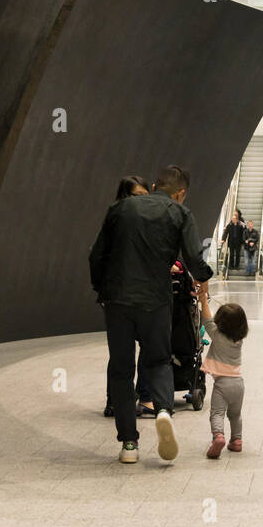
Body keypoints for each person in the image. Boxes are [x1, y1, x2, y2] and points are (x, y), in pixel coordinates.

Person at [90, 164, 214, 463]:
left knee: (121, 370)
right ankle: (161, 410)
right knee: (158, 360)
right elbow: (195, 259)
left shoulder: (120, 209)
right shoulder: (180, 213)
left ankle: (129, 445)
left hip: (118, 301)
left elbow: (96, 255)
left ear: (156, 184)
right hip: (156, 301)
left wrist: (102, 291)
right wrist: (204, 277)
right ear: (180, 192)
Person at [101, 176, 150, 418]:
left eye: (145, 195)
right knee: (121, 355)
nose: (141, 201)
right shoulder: (116, 221)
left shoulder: (148, 222)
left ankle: (135, 397)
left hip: (141, 296)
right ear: (124, 197)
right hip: (119, 295)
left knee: (144, 349)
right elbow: (100, 255)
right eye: (136, 196)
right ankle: (116, 401)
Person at [196, 281, 248, 458]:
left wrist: (203, 300)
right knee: (235, 414)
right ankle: (237, 441)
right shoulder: (239, 340)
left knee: (217, 413)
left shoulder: (217, 336)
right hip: (239, 384)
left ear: (221, 323)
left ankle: (218, 437)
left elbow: (207, 319)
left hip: (222, 385)